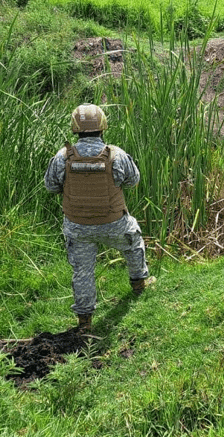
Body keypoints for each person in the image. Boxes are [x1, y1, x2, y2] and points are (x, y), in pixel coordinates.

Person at [44, 104, 154, 331]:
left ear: (75, 128)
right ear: (102, 125)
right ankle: (139, 283)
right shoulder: (116, 154)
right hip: (113, 222)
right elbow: (133, 181)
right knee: (133, 241)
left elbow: (51, 186)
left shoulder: (62, 156)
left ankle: (84, 320)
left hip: (78, 227)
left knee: (82, 271)